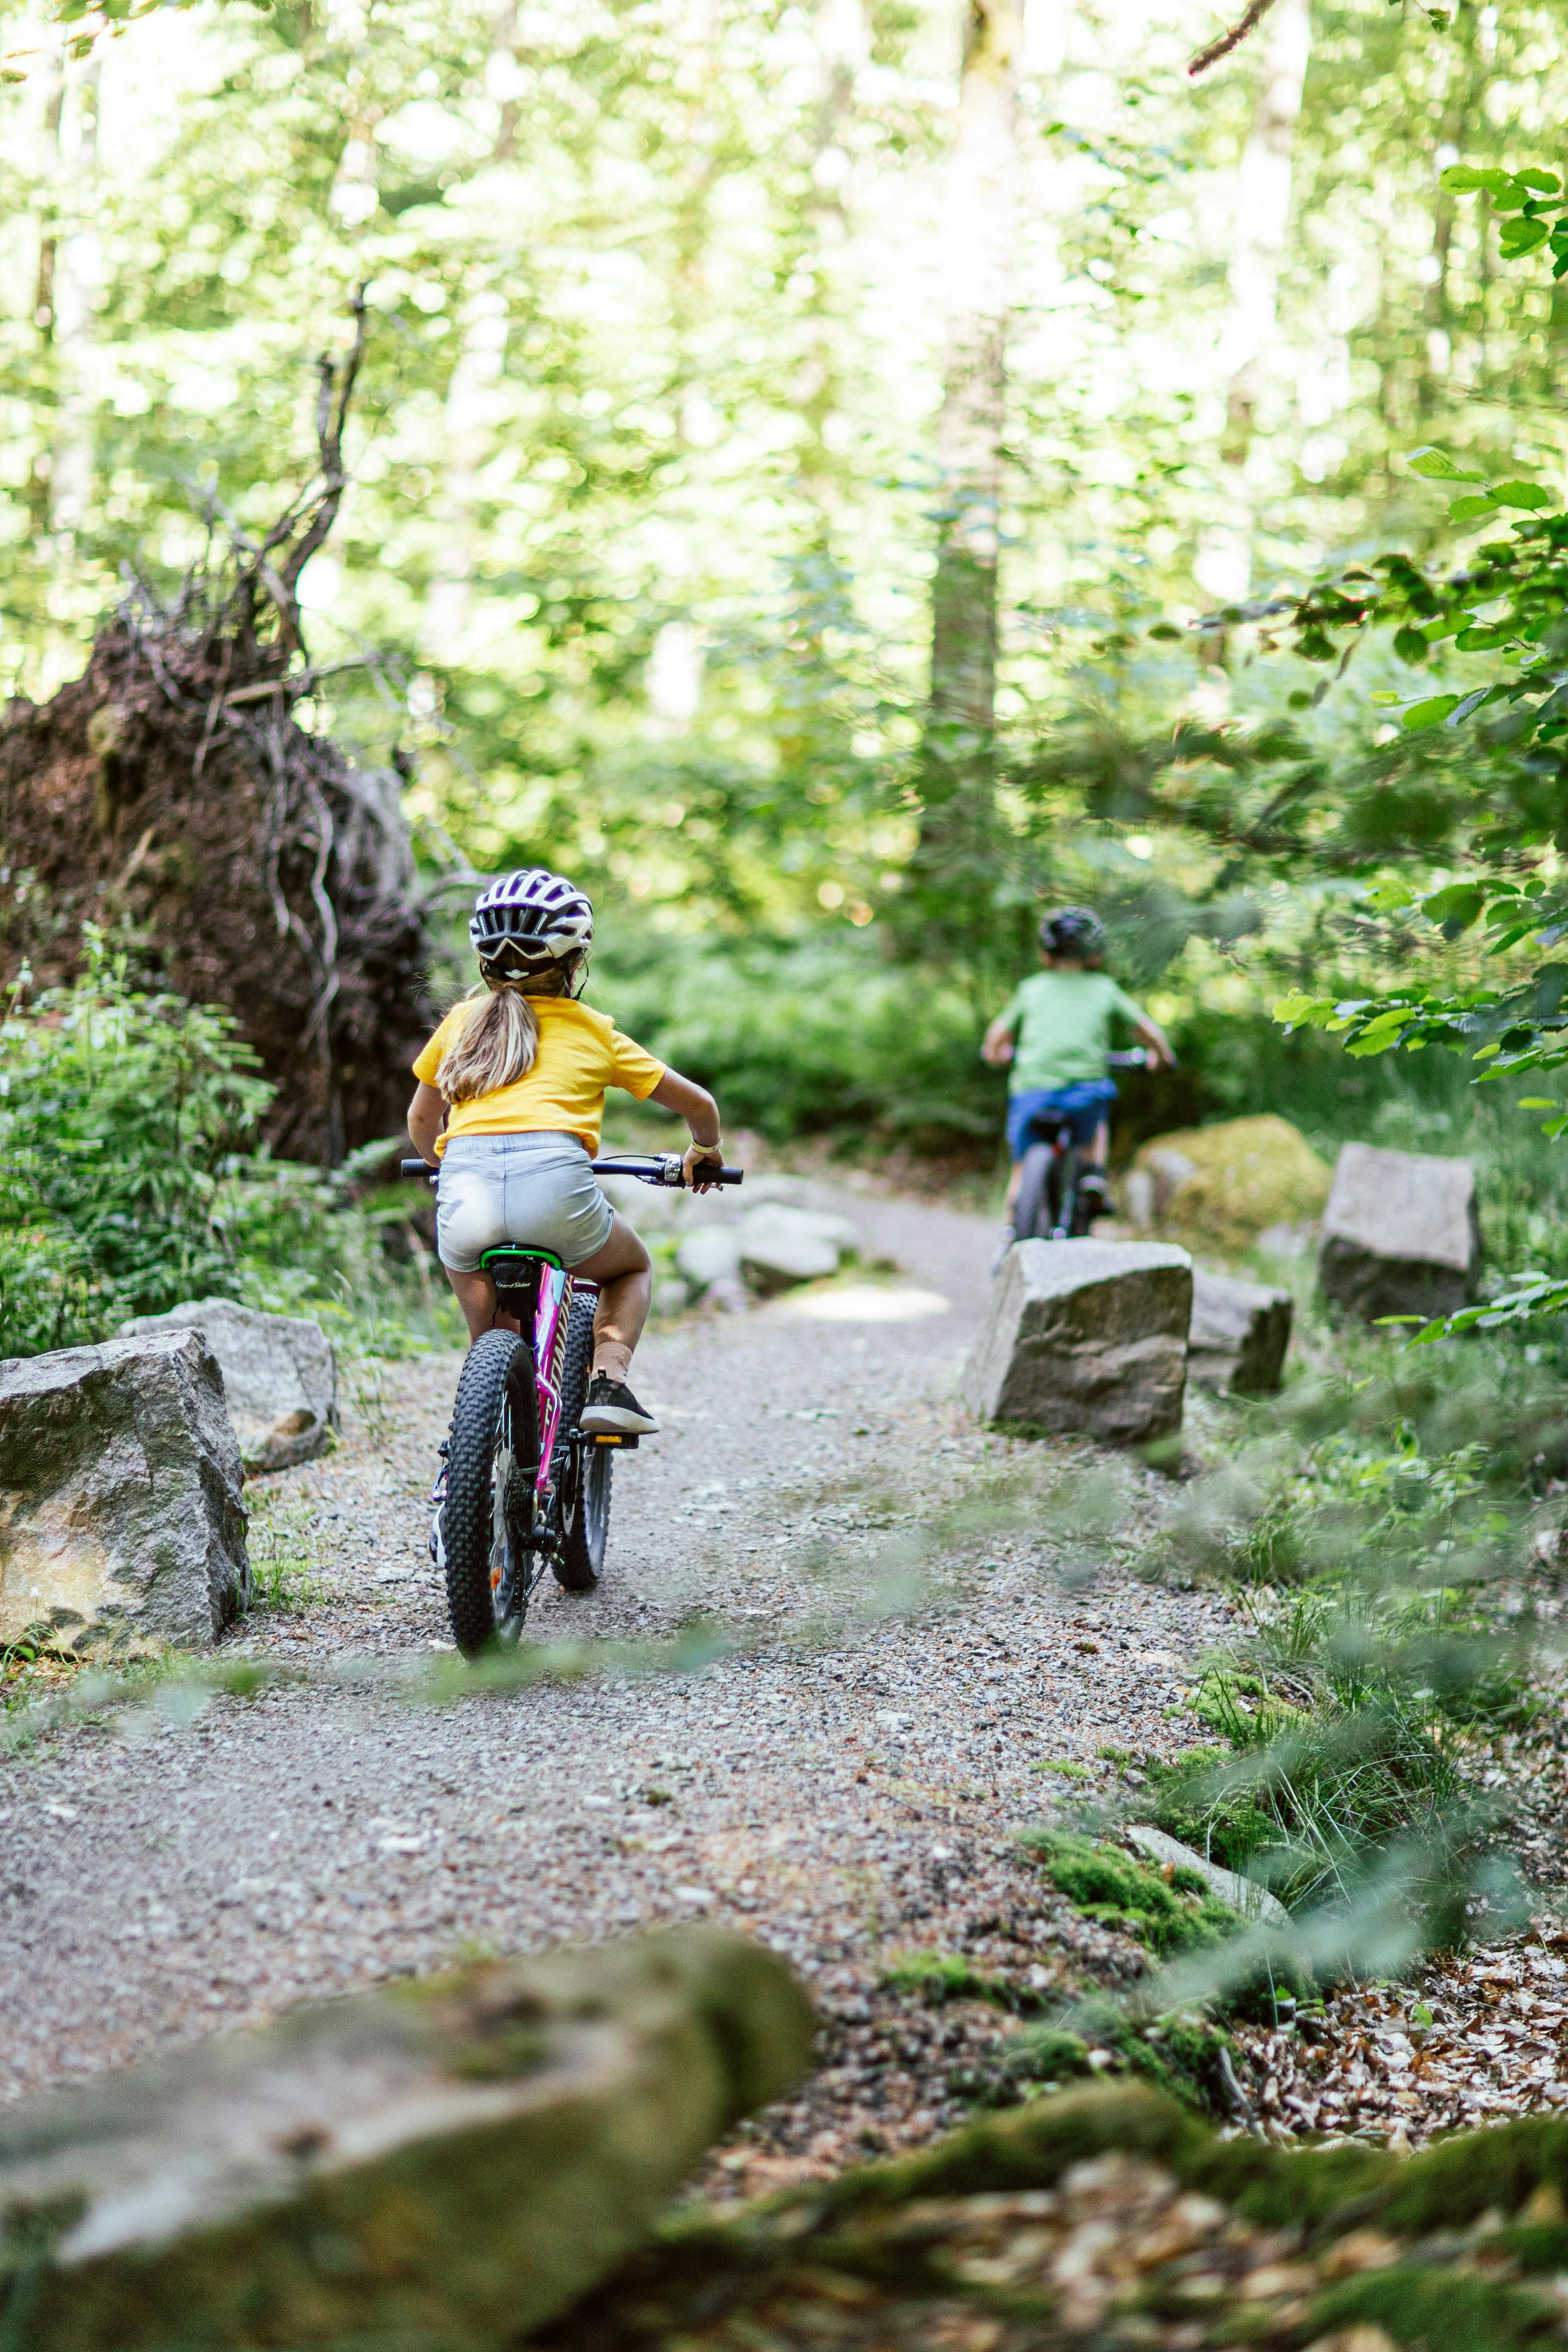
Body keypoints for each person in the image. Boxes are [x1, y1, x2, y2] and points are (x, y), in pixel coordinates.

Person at [407, 867, 724, 1437]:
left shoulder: (459, 1023)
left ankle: (481, 1438)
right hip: (558, 1192)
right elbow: (698, 1105)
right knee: (631, 1267)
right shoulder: (595, 1030)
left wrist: (442, 1165)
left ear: (484, 961)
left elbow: (422, 1121)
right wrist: (705, 1151)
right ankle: (608, 1382)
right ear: (575, 962)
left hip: (465, 1198)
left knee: (491, 1342)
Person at [981, 906, 1174, 1247]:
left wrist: (996, 1055)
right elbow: (1145, 1029)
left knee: (1022, 1165)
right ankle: (1094, 1177)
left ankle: (1011, 1228)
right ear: (1096, 955)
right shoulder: (1104, 988)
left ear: (1045, 954)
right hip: (1084, 1090)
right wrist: (1163, 1056)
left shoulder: (1031, 988)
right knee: (1097, 1121)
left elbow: (996, 1039)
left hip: (1032, 1091)